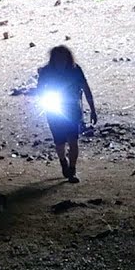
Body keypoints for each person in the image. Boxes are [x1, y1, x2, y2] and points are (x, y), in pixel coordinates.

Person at [36, 45, 97, 183]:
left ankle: (72, 170)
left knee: (73, 141)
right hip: (54, 110)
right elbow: (39, 89)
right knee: (59, 142)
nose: (60, 62)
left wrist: (93, 109)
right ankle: (63, 161)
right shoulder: (46, 71)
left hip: (72, 110)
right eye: (57, 59)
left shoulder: (75, 70)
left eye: (62, 59)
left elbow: (86, 89)